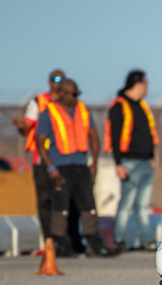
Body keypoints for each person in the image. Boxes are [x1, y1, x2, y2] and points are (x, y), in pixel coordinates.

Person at [35, 79, 112, 257]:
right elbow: (40, 142)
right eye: (73, 94)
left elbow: (94, 137)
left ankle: (94, 243)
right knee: (60, 207)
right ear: (61, 93)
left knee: (89, 206)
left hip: (81, 166)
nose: (76, 97)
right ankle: (62, 244)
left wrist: (94, 163)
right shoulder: (49, 113)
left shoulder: (83, 110)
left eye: (78, 93)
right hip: (60, 167)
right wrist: (51, 168)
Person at [11, 69, 84, 254]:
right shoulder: (39, 102)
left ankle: (69, 241)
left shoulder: (73, 103)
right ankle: (50, 242)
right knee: (45, 202)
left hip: (64, 160)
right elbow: (27, 128)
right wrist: (20, 127)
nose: (58, 82)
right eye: (55, 79)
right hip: (42, 161)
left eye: (62, 79)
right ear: (49, 82)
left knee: (67, 203)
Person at [105, 70, 159, 253]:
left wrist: (151, 157)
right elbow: (115, 137)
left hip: (146, 162)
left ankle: (146, 239)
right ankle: (119, 238)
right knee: (126, 203)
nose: (147, 87)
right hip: (129, 163)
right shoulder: (119, 106)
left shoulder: (142, 106)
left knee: (142, 205)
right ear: (138, 84)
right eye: (146, 83)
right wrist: (118, 163)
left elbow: (148, 134)